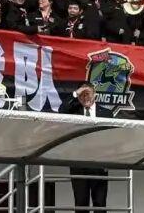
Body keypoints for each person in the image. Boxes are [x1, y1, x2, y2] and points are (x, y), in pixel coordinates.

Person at [62, 83, 108, 213]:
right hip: (79, 163)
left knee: (100, 203)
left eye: (87, 94)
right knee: (81, 203)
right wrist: (76, 93)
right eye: (81, 95)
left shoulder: (106, 113)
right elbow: (61, 111)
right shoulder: (73, 111)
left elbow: (111, 137)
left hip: (99, 163)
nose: (85, 97)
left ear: (95, 95)